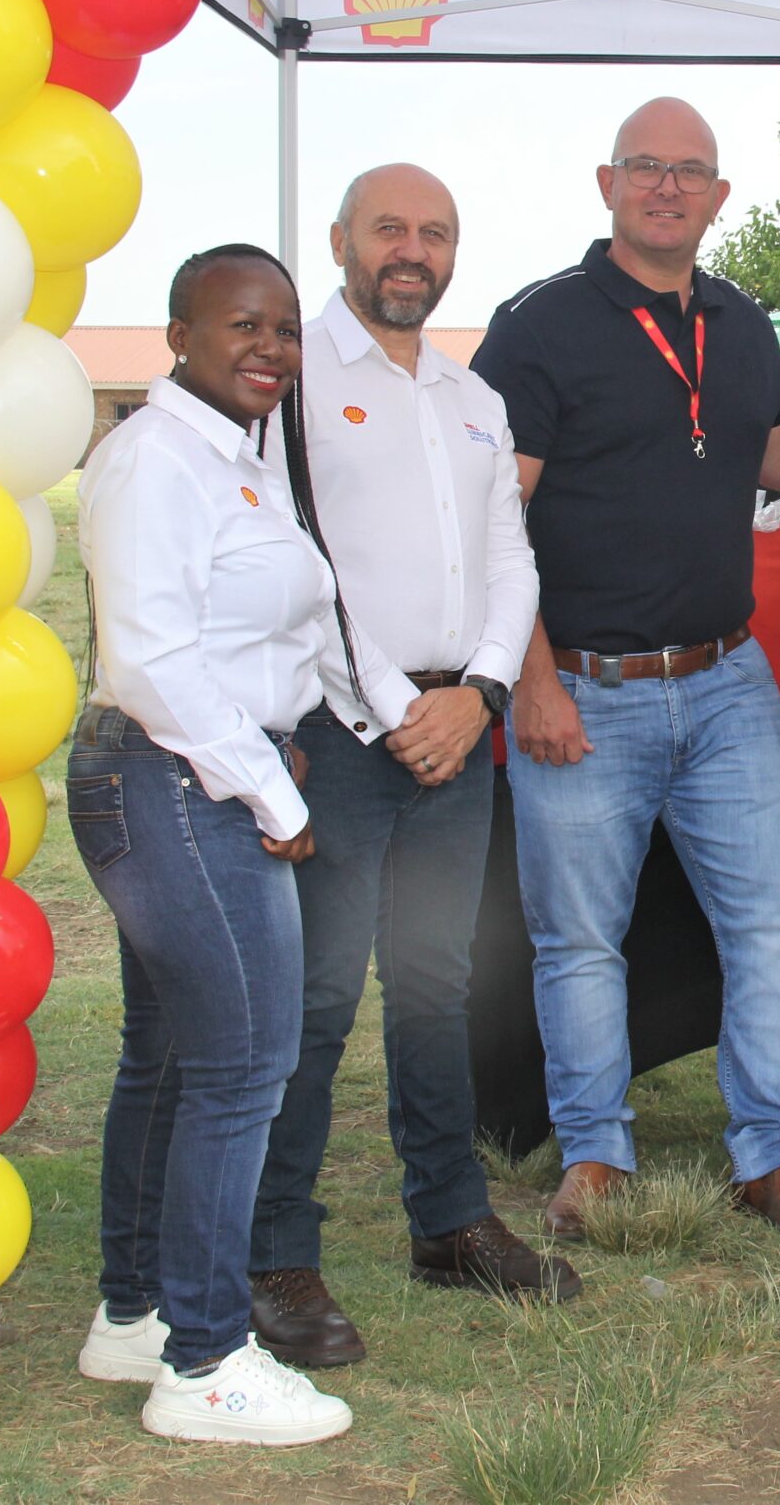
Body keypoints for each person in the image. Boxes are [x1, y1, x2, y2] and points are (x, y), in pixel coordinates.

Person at [67, 244, 428, 1445]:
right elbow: (149, 662)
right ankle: (208, 1363)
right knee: (242, 1071)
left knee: (173, 1061)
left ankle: (136, 1315)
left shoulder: (240, 460)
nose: (270, 349)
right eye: (242, 325)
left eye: (283, 329)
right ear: (179, 336)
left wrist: (402, 716)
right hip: (174, 781)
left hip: (197, 775)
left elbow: (310, 628)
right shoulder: (152, 459)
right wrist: (274, 795)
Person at [469, 98, 780, 1239]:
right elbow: (490, 521)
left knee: (775, 930)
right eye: (646, 167)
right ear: (608, 184)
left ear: (720, 197)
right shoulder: (537, 325)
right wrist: (532, 681)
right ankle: (595, 1155)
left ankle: (774, 1157)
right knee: (581, 943)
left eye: (690, 171)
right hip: (583, 689)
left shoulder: (741, 321)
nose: (667, 187)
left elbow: (773, 455)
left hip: (729, 683)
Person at [244, 165, 572, 1375]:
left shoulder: (472, 396)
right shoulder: (292, 382)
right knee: (319, 995)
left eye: (435, 233)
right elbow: (297, 560)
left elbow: (511, 559)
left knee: (439, 984)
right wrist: (399, 709)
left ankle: (448, 1222)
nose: (412, 251)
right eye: (390, 228)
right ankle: (276, 1251)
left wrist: (480, 693)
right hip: (339, 733)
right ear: (340, 240)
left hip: (455, 729)